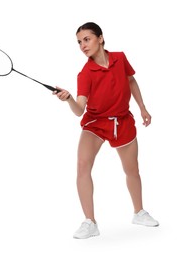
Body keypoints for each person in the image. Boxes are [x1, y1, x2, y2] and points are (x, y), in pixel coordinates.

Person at [53, 22, 159, 239]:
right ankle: (90, 222)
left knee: (132, 170)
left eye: (87, 39)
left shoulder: (120, 58)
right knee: (83, 166)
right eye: (79, 42)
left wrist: (142, 108)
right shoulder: (85, 73)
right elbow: (79, 110)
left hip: (122, 121)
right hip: (96, 123)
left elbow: (131, 80)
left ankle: (139, 212)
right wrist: (69, 99)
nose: (82, 45)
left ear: (100, 38)